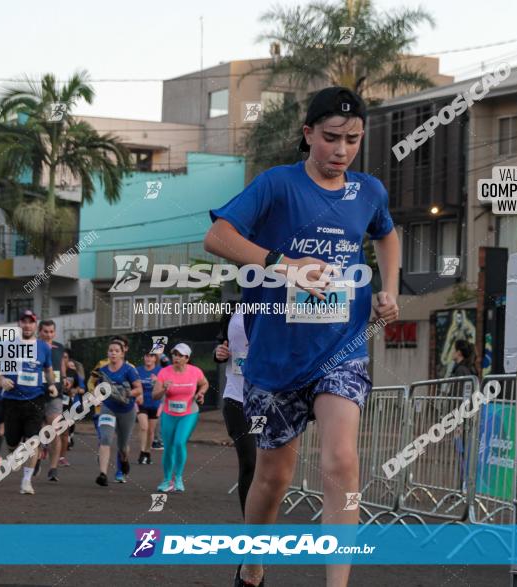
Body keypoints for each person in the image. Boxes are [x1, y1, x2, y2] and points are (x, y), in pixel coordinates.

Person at [204, 87, 399, 587]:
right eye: (331, 138)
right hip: (275, 354)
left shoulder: (369, 191)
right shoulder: (276, 185)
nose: (342, 150)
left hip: (342, 346)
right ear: (308, 133)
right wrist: (283, 265)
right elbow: (218, 237)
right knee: (274, 476)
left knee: (342, 459)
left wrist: (389, 289)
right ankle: (252, 564)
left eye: (353, 140)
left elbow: (386, 232)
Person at [0, 310, 59, 495]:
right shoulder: (9, 344)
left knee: (33, 442)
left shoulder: (43, 347)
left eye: (31, 322)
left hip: (35, 399)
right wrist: (1, 379)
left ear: (35, 325)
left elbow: (48, 369)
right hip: (12, 401)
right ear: (19, 324)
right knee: (11, 443)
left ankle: (26, 481)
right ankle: (15, 454)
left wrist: (52, 385)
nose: (27, 325)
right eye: (24, 322)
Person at [214, 305, 255, 516]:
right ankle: (251, 526)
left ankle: (264, 524)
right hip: (236, 399)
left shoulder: (278, 305)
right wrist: (219, 352)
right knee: (250, 462)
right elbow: (221, 344)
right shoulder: (233, 309)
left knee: (270, 469)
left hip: (268, 400)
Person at [152, 343, 208, 493]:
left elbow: (204, 383)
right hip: (169, 413)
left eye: (180, 355)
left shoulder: (195, 372)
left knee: (179, 442)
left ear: (187, 358)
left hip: (189, 413)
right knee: (168, 447)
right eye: (174, 354)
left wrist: (200, 393)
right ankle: (166, 480)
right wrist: (164, 388)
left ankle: (178, 478)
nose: (176, 357)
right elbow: (154, 395)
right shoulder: (164, 372)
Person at [87, 340, 142, 486]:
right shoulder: (103, 370)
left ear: (122, 353)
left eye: (117, 351)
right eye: (111, 350)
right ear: (108, 353)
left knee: (122, 446)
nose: (113, 353)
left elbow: (139, 389)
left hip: (126, 410)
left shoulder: (129, 370)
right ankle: (103, 474)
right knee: (105, 438)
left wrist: (127, 393)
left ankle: (124, 460)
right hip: (108, 408)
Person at [38, 319, 68, 482]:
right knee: (37, 431)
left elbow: (62, 367)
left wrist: (64, 379)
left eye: (51, 332)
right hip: (35, 393)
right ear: (39, 332)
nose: (49, 335)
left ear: (54, 332)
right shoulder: (32, 346)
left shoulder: (59, 347)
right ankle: (35, 459)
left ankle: (53, 468)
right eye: (45, 331)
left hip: (55, 394)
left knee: (54, 429)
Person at [135, 351, 161, 465]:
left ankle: (147, 452)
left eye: (151, 356)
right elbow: (133, 385)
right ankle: (141, 451)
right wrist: (138, 394)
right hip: (141, 403)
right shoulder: (138, 370)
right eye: (146, 356)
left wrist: (157, 382)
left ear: (155, 358)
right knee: (144, 427)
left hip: (155, 404)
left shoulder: (160, 371)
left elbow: (163, 389)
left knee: (151, 431)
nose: (148, 358)